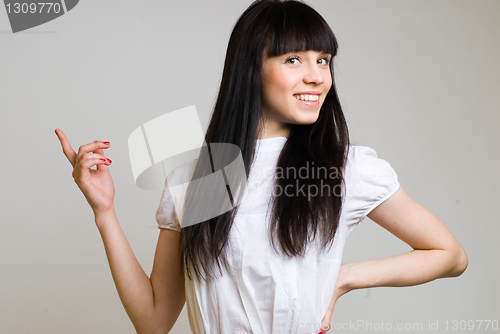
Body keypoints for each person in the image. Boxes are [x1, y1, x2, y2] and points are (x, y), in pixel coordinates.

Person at [55, 0, 468, 333]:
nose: (317, 77)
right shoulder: (201, 182)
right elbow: (153, 321)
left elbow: (450, 255)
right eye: (294, 60)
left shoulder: (344, 169)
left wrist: (343, 278)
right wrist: (105, 212)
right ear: (251, 69)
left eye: (323, 60)